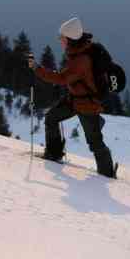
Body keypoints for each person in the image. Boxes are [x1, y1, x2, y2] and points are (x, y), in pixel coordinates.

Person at [27, 17, 116, 178]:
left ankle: (107, 174)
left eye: (62, 38)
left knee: (94, 142)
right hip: (75, 99)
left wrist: (37, 69)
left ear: (70, 39)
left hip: (87, 105)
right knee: (51, 118)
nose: (60, 41)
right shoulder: (79, 51)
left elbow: (62, 78)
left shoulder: (81, 60)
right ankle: (53, 154)